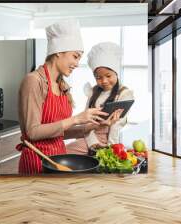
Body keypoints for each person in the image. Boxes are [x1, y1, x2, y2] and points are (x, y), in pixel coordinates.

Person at [16, 20, 111, 174]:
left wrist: (95, 125)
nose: (76, 63)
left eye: (79, 58)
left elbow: (60, 132)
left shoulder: (62, 86)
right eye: (75, 56)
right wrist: (75, 119)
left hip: (59, 159)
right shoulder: (33, 81)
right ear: (59, 51)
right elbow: (32, 132)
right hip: (37, 161)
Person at [66, 42, 134, 155]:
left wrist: (111, 148)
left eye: (108, 76)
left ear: (116, 73)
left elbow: (116, 125)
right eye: (98, 78)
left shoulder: (123, 94)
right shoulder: (93, 91)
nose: (104, 81)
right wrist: (93, 142)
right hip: (88, 136)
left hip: (106, 141)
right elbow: (86, 121)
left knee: (64, 152)